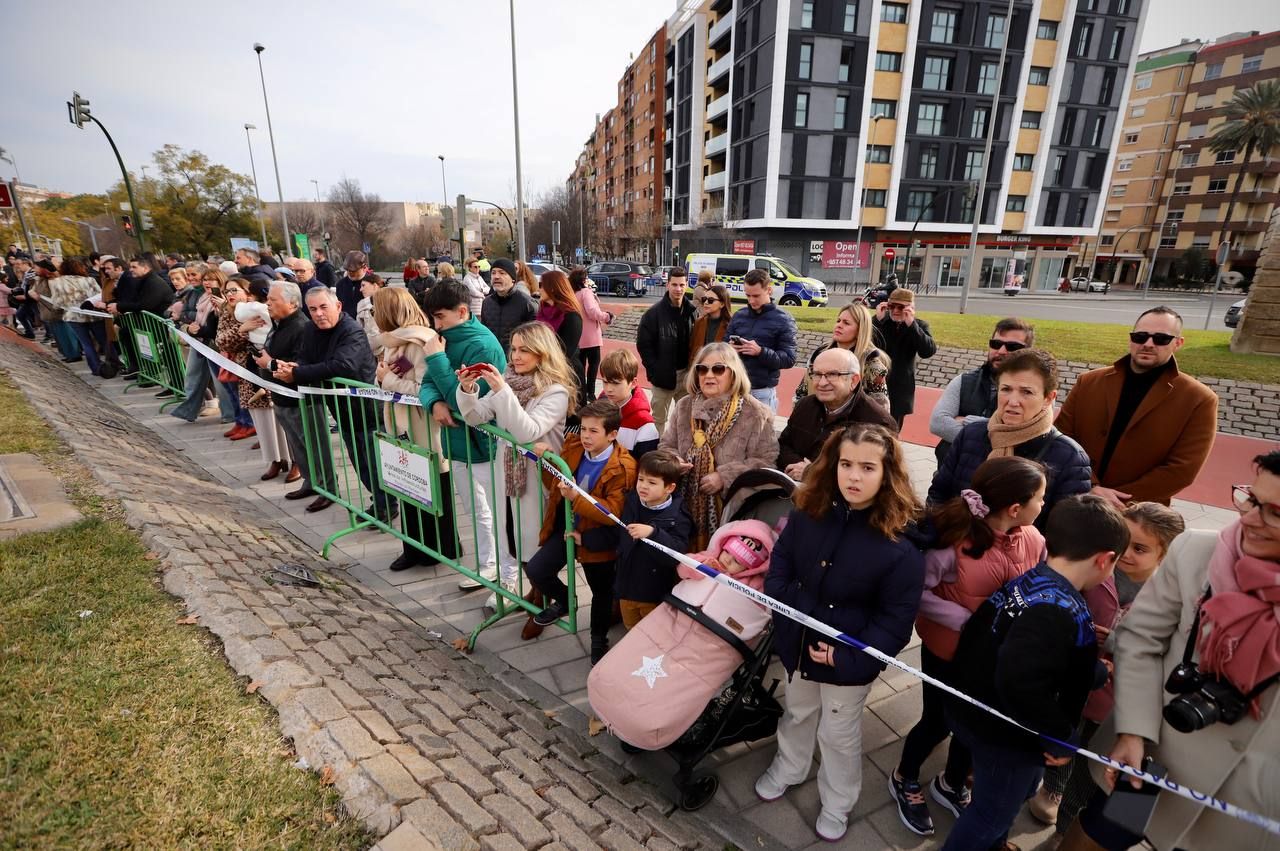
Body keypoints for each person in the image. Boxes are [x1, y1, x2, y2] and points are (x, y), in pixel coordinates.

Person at [1062, 452, 1280, 851]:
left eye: (1275, 513)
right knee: (1099, 837)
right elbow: (1139, 639)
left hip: (1249, 807)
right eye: (1250, 499)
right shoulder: (1199, 552)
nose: (1247, 519)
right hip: (1153, 764)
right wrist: (1134, 731)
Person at [756, 423, 925, 842]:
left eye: (867, 467)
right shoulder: (807, 515)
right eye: (846, 464)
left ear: (887, 474)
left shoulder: (900, 547)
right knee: (797, 711)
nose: (853, 476)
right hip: (798, 646)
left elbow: (894, 622)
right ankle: (790, 765)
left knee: (838, 733)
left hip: (846, 662)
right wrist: (792, 616)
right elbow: (780, 571)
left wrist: (850, 658)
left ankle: (837, 800)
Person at [941, 495, 1130, 851]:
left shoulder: (1032, 581)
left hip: (981, 716)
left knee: (1005, 796)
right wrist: (1060, 737)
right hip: (1008, 737)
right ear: (1105, 560)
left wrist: (1089, 673)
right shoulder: (1058, 611)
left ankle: (994, 844)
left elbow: (1028, 658)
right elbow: (1020, 681)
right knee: (989, 814)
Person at [890, 456, 1049, 837]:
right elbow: (917, 593)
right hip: (947, 653)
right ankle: (904, 776)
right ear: (1015, 507)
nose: (1044, 504)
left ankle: (952, 782)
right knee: (938, 720)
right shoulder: (953, 548)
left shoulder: (1034, 539)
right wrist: (966, 620)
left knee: (974, 722)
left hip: (993, 659)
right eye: (1040, 498)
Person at [1031, 502, 1185, 848]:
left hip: (1116, 707)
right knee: (1064, 743)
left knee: (1093, 767)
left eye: (1140, 548)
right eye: (1123, 542)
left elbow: (1161, 650)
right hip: (1074, 690)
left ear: (1168, 554)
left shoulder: (1171, 597)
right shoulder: (1097, 569)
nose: (1125, 554)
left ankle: (1068, 818)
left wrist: (1116, 644)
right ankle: (1053, 788)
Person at [456, 321, 576, 627]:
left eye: (525, 349)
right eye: (514, 348)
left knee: (534, 542)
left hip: (540, 480)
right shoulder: (510, 380)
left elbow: (527, 431)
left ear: (542, 353)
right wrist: (467, 388)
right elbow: (474, 416)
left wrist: (501, 390)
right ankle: (537, 597)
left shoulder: (556, 391)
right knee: (512, 536)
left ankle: (551, 598)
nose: (516, 355)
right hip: (508, 473)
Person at [1054, 306, 1218, 507]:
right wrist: (1090, 486)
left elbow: (1182, 469)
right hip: (1074, 500)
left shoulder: (1199, 399)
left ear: (1178, 343)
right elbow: (1063, 438)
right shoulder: (1088, 382)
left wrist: (1118, 499)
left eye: (1160, 339)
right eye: (1140, 336)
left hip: (1136, 514)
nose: (1148, 344)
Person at [930, 348, 1092, 529]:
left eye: (1026, 392)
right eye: (1006, 389)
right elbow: (938, 495)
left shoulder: (1071, 458)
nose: (1013, 401)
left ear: (1049, 398)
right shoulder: (971, 434)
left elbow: (1064, 534)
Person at [526, 399, 637, 662]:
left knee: (601, 593)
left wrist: (576, 498)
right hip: (566, 527)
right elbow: (555, 485)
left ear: (612, 434)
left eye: (593, 431)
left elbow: (614, 512)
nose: (585, 436)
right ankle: (565, 600)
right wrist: (545, 464)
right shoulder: (573, 446)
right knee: (537, 569)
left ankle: (598, 640)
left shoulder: (624, 466)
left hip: (597, 538)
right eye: (584, 429)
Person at [273, 287, 395, 521]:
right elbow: (305, 357)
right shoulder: (311, 329)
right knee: (360, 464)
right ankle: (380, 502)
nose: (318, 314)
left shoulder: (352, 331)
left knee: (375, 463)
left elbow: (342, 365)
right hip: (341, 411)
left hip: (366, 412)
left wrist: (298, 374)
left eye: (323, 307)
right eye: (313, 309)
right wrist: (294, 368)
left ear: (338, 306)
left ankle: (385, 506)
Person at [419, 279, 508, 589]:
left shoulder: (481, 345)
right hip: (457, 442)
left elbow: (469, 402)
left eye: (440, 317)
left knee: (494, 510)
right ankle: (488, 565)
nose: (436, 324)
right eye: (433, 318)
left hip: (483, 443)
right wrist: (434, 404)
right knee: (474, 507)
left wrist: (436, 360)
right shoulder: (443, 340)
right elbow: (428, 383)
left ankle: (503, 572)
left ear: (461, 311)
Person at [371, 287, 460, 573]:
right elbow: (387, 379)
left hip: (423, 429)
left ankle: (443, 546)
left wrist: (387, 380)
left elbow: (425, 391)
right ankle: (413, 546)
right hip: (400, 426)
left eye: (376, 309)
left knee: (433, 488)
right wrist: (382, 378)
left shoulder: (421, 342)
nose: (373, 315)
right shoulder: (393, 341)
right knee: (405, 485)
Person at [658, 343, 780, 551]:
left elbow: (767, 462)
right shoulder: (685, 406)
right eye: (702, 369)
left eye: (718, 369)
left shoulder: (756, 413)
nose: (709, 375)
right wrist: (673, 462)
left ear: (733, 373)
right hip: (681, 510)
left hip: (731, 515)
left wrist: (724, 477)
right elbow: (667, 445)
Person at [776, 347, 898, 481]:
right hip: (793, 489)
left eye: (832, 374)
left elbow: (877, 476)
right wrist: (798, 467)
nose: (822, 382)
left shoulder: (878, 423)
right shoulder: (805, 405)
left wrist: (811, 472)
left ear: (854, 380)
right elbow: (783, 446)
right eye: (817, 374)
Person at [930, 317, 1035, 464]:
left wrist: (971, 422)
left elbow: (1030, 434)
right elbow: (938, 424)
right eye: (996, 344)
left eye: (1012, 347)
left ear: (1027, 352)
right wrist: (1001, 436)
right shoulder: (964, 381)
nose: (1001, 351)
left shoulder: (1037, 390)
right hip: (951, 471)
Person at [613, 447, 694, 630]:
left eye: (651, 482)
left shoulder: (678, 518)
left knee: (651, 634)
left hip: (653, 594)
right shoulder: (632, 501)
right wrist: (585, 539)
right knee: (630, 629)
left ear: (669, 488)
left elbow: (676, 554)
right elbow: (617, 532)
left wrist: (653, 533)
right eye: (641, 479)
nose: (643, 486)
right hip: (626, 589)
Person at [253, 281, 309, 489]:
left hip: (295, 399)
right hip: (280, 396)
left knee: (306, 446)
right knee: (296, 444)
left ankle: (319, 485)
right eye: (267, 299)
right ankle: (310, 483)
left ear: (292, 304)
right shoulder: (280, 324)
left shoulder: (301, 327)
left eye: (273, 300)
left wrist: (269, 363)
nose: (267, 304)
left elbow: (298, 364)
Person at [170, 268, 237, 425]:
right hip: (199, 341)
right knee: (192, 376)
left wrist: (198, 329)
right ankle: (189, 410)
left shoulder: (223, 299)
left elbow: (218, 324)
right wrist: (191, 327)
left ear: (219, 281)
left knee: (221, 382)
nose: (207, 282)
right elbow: (188, 314)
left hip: (215, 345)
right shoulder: (201, 297)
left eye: (211, 279)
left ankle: (230, 414)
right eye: (205, 279)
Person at [725, 269, 797, 413]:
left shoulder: (784, 319)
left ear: (769, 290)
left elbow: (789, 359)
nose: (751, 300)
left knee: (761, 435)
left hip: (762, 393)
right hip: (734, 389)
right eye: (748, 295)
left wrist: (760, 352)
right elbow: (723, 348)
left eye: (756, 296)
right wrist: (730, 348)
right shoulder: (739, 316)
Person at [795, 302, 891, 409]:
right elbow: (801, 393)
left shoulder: (871, 364)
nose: (839, 325)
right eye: (838, 321)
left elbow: (881, 410)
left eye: (846, 323)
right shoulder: (820, 355)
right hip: (815, 421)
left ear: (860, 329)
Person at [636, 267, 697, 434]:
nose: (678, 289)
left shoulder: (692, 312)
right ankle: (659, 454)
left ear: (686, 286)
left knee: (686, 419)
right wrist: (654, 369)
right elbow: (643, 345)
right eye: (674, 284)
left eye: (682, 285)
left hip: (686, 376)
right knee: (658, 420)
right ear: (667, 285)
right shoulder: (653, 314)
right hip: (662, 378)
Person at [873, 288, 937, 428]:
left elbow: (927, 351)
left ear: (910, 308)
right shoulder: (880, 321)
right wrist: (877, 320)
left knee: (893, 432)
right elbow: (868, 345)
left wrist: (911, 325)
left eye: (900, 307)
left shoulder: (919, 326)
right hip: (875, 384)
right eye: (891, 306)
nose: (895, 310)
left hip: (899, 388)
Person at [213, 277, 260, 442]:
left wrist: (239, 331)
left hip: (250, 362)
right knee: (236, 394)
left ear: (246, 292)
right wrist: (240, 330)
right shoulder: (227, 310)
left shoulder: (252, 310)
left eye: (234, 290)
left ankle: (251, 425)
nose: (229, 294)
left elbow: (233, 337)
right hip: (232, 359)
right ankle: (243, 423)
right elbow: (221, 339)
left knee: (253, 399)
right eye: (226, 291)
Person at [599, 348, 659, 461]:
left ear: (633, 383)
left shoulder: (644, 425)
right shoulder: (597, 410)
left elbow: (646, 469)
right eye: (605, 382)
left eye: (616, 383)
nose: (609, 389)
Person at [49, 258, 103, 372]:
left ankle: (95, 368)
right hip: (93, 314)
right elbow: (99, 295)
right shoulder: (90, 280)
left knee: (86, 343)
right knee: (103, 340)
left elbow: (56, 302)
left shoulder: (56, 282)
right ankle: (112, 365)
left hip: (72, 315)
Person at [571, 266, 611, 404]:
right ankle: (590, 392)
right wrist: (606, 317)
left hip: (577, 335)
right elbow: (592, 311)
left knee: (580, 366)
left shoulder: (572, 293)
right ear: (583, 279)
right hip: (591, 336)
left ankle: (580, 392)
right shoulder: (585, 292)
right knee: (593, 364)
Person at [480, 258, 536, 354]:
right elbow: (484, 333)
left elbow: (533, 337)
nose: (496, 277)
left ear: (513, 279)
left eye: (502, 273)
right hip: (492, 357)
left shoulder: (527, 303)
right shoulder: (487, 303)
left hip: (516, 359)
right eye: (493, 273)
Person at [535, 269, 583, 380]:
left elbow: (566, 353)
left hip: (566, 375)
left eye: (541, 285)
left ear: (552, 288)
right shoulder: (542, 311)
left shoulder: (571, 316)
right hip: (543, 372)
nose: (539, 289)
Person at [31, 259, 82, 362]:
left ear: (43, 269)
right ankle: (67, 353)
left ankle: (73, 354)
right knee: (59, 335)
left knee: (66, 333)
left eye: (36, 267)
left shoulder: (54, 279)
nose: (34, 269)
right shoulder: (40, 279)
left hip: (57, 311)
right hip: (49, 311)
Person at [688, 284, 731, 363]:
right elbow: (692, 349)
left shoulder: (731, 325)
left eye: (711, 300)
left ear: (722, 304)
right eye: (704, 299)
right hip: (699, 369)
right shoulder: (699, 322)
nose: (706, 302)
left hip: (720, 370)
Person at [356, 273, 385, 354]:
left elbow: (375, 335)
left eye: (363, 285)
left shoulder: (385, 304)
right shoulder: (363, 304)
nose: (360, 289)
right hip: (368, 351)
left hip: (381, 353)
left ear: (375, 286)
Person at [335, 250, 369, 318]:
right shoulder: (340, 284)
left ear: (364, 267)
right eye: (348, 270)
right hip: (345, 324)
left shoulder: (372, 284)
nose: (350, 273)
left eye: (354, 270)